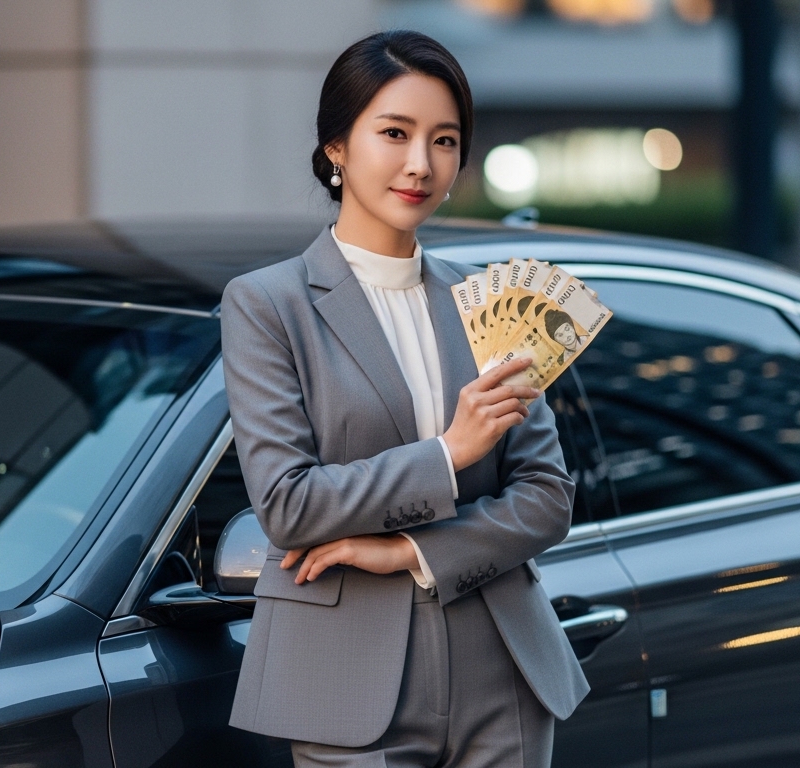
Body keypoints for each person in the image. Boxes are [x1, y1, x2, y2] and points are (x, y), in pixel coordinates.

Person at [221, 30, 589, 768]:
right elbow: (289, 506)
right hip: (343, 678)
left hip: (502, 667)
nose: (421, 164)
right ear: (337, 146)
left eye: (444, 140)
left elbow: (547, 496)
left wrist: (409, 552)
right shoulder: (268, 305)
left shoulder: (489, 302)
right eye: (395, 133)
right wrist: (450, 454)